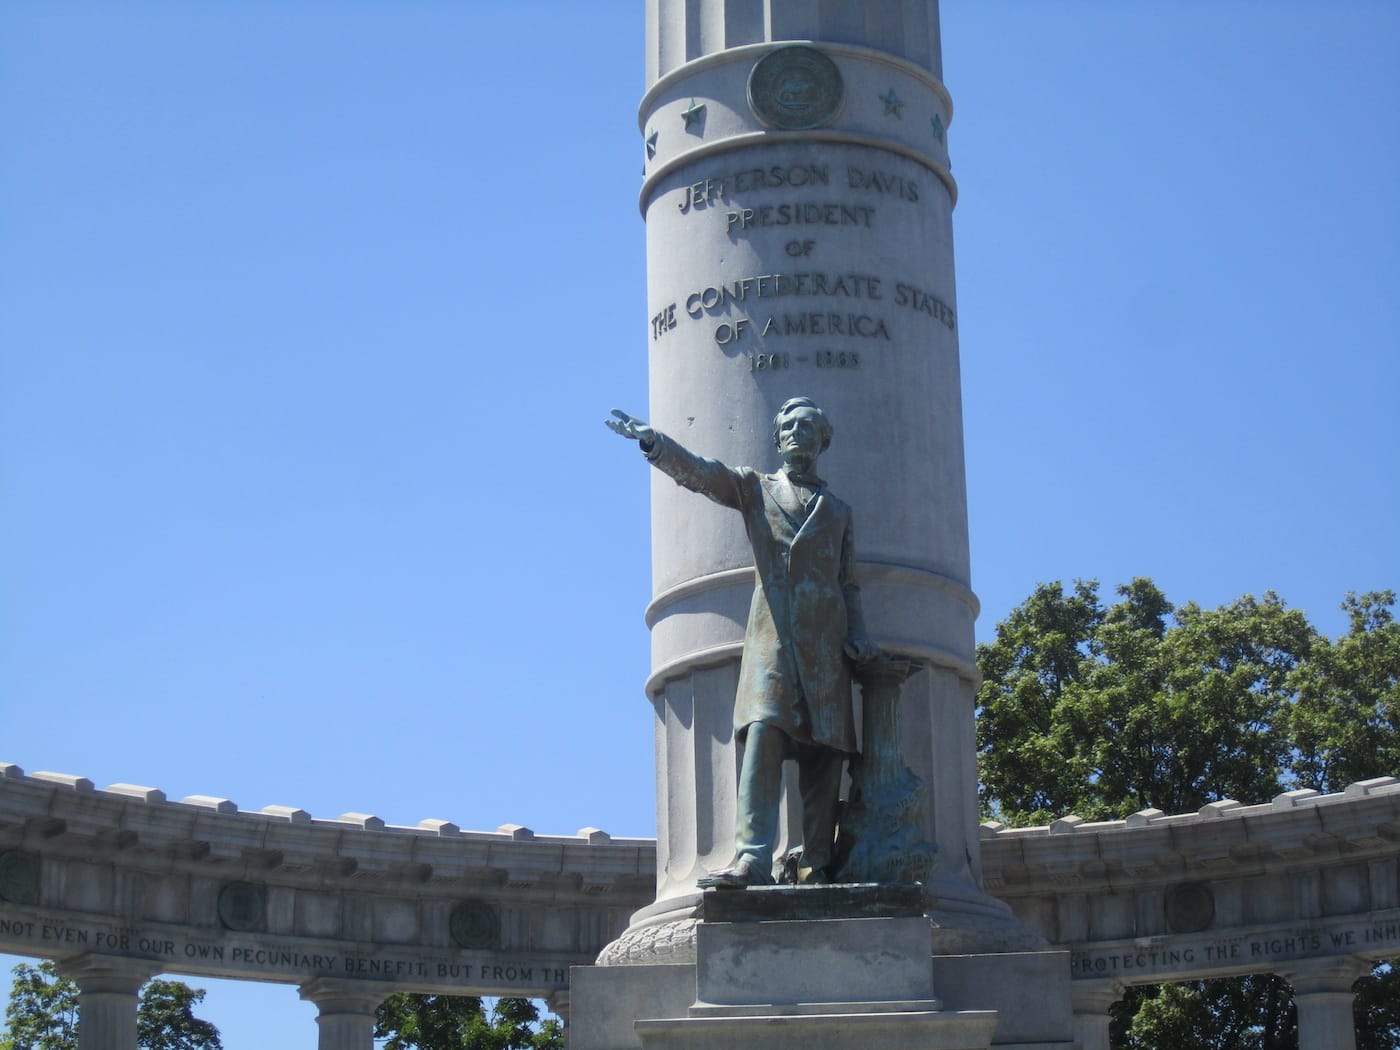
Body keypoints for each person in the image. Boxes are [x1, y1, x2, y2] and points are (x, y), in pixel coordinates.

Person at [607, 397, 878, 886]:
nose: (797, 434)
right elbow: (705, 475)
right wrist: (655, 444)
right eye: (789, 427)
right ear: (777, 439)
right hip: (773, 638)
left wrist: (857, 636)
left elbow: (848, 582)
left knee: (826, 756)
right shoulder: (757, 488)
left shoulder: (838, 512)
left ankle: (818, 863)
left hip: (826, 645)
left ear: (824, 440)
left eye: (808, 427)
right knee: (763, 740)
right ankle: (752, 857)